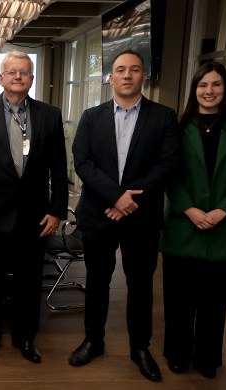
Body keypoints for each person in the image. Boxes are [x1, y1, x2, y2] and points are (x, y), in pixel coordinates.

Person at [68, 49, 179, 382]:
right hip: (99, 212)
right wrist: (117, 196)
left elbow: (168, 163)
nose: (127, 75)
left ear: (144, 76)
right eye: (120, 70)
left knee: (141, 285)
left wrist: (130, 199)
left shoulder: (164, 116)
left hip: (141, 216)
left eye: (134, 70)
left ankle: (140, 348)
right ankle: (93, 340)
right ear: (110, 78)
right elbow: (83, 162)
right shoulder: (91, 116)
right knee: (98, 282)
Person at [0, 51, 68, 364]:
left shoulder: (49, 114)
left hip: (36, 217)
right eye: (12, 72)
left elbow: (59, 168)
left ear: (32, 78)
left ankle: (25, 338)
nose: (18, 77)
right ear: (1, 78)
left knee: (29, 281)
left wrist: (57, 209)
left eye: (24, 72)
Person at [159, 62, 226, 379]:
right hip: (183, 226)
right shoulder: (179, 125)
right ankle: (178, 353)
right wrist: (189, 209)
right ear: (194, 90)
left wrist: (223, 210)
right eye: (203, 85)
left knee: (214, 304)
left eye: (216, 85)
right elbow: (169, 172)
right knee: (179, 302)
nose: (209, 91)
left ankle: (207, 358)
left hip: (223, 229)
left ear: (225, 90)